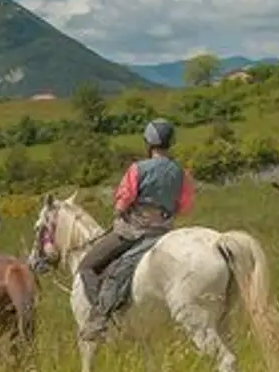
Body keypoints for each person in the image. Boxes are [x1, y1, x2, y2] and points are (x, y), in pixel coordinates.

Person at [74, 118, 196, 340]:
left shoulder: (137, 169)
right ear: (170, 142)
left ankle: (99, 318)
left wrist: (120, 212)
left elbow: (123, 201)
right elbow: (185, 206)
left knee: (87, 265)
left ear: (148, 142)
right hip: (164, 232)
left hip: (134, 231)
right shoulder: (181, 173)